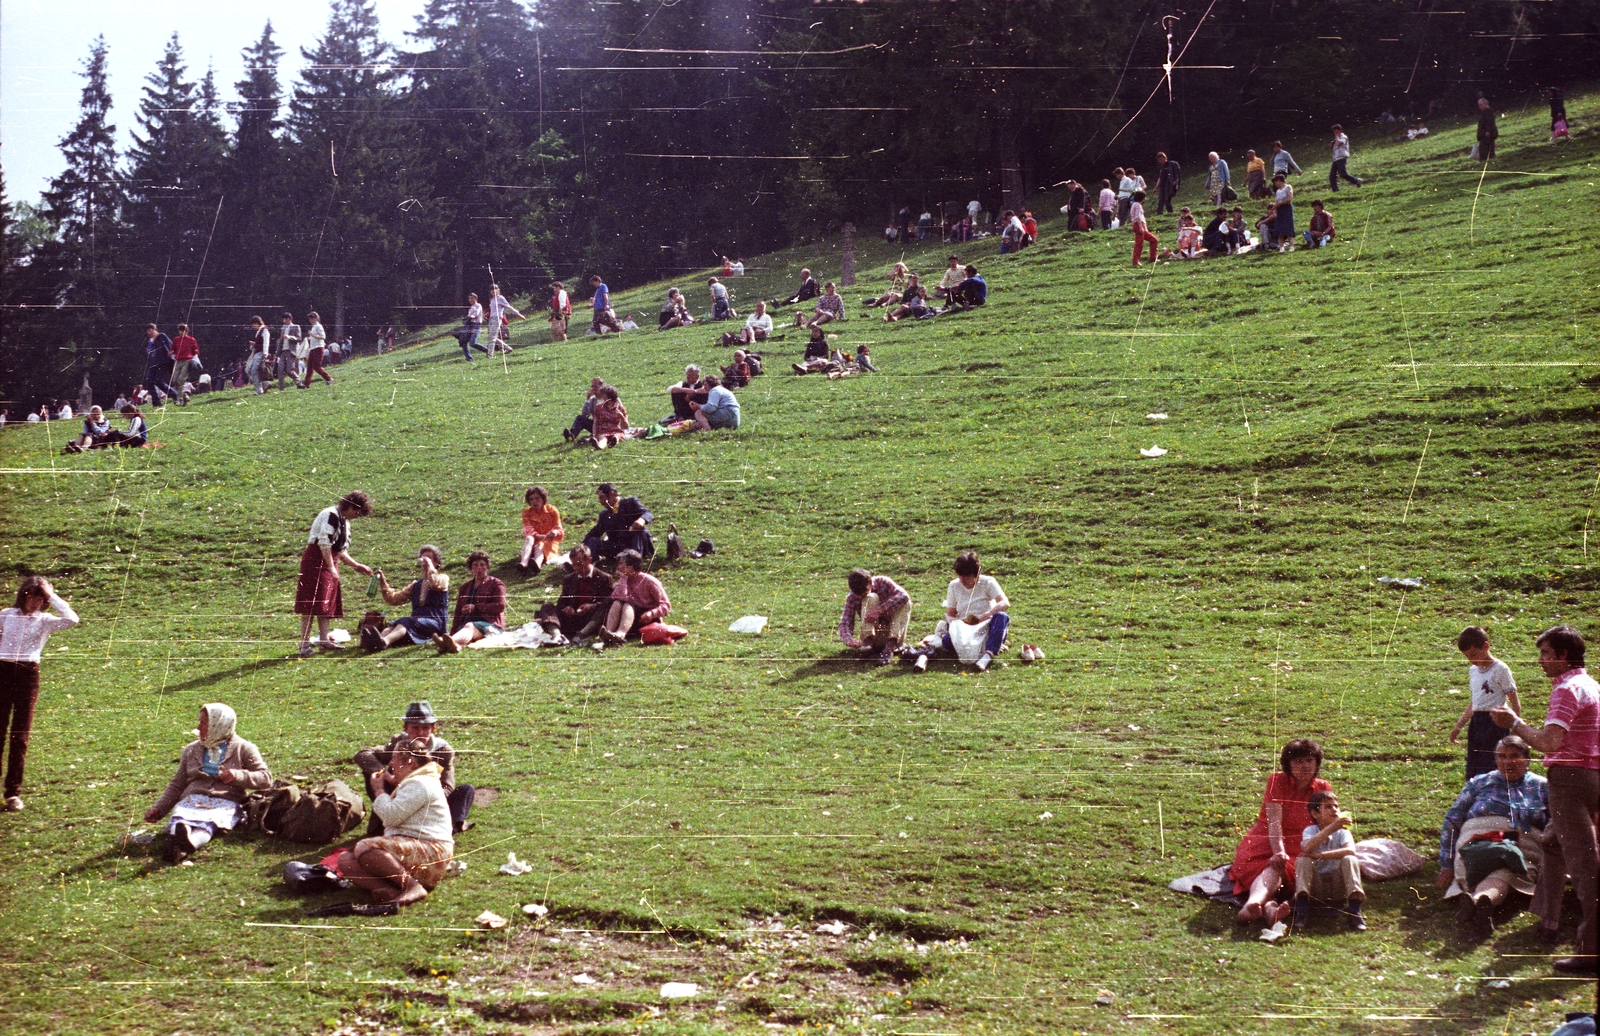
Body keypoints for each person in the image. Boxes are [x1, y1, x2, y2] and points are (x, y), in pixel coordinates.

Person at [1490, 626, 1598, 973]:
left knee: (1585, 868)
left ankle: (1591, 951)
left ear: (1564, 656)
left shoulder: (1566, 690)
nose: (1541, 661)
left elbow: (1550, 743)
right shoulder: (1592, 685)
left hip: (1569, 781)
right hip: (1592, 777)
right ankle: (1549, 920)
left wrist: (1514, 723)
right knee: (1552, 843)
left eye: (1547, 654)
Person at [1436, 735, 1554, 937]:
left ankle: (1477, 901)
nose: (1507, 762)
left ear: (1527, 760)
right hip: (1477, 840)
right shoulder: (1480, 783)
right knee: (1492, 866)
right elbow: (1453, 820)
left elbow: (1556, 822)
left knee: (1510, 867)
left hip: (1524, 844)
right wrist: (1446, 863)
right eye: (1502, 756)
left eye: (1514, 756)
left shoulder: (1542, 786)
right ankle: (1483, 901)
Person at [144, 703, 271, 864]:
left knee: (209, 823)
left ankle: (186, 844)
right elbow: (177, 784)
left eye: (203, 723)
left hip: (226, 800)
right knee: (181, 817)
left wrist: (238, 775)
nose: (198, 727)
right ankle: (179, 843)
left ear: (219, 724)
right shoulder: (191, 750)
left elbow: (265, 778)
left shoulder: (244, 748)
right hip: (193, 798)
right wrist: (159, 809)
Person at [338, 735, 454, 906]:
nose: (391, 764)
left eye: (394, 758)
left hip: (432, 852)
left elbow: (391, 816)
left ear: (410, 762)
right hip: (417, 850)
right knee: (345, 859)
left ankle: (412, 887)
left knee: (366, 847)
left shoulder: (421, 783)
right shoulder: (415, 781)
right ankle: (391, 890)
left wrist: (379, 790)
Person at [1231, 739, 1332, 924]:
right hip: (1267, 840)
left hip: (1301, 844)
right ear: (1288, 764)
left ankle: (1267, 909)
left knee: (1286, 872)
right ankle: (1253, 904)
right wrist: (1278, 851)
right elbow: (1274, 822)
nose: (1304, 766)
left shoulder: (1323, 788)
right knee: (1276, 866)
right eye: (1298, 762)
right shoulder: (1276, 781)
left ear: (1317, 763)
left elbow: (1327, 823)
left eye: (1309, 761)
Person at [0, 578, 79, 812]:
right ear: (23, 595)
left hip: (28, 675)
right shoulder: (6, 614)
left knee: (20, 735)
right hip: (2, 671)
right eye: (32, 597)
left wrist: (52, 596)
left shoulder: (45, 620)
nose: (35, 603)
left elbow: (72, 619)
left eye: (40, 599)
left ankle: (12, 793)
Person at [355, 701, 473, 834]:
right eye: (415, 728)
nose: (420, 733)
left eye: (425, 728)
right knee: (371, 772)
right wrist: (389, 777)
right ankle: (385, 818)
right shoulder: (398, 744)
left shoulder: (443, 750)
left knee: (466, 790)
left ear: (433, 729)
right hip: (400, 795)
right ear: (405, 728)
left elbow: (447, 787)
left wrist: (423, 795)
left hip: (429, 800)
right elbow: (363, 755)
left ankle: (450, 826)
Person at [295, 491, 375, 656]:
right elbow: (324, 543)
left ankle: (324, 641)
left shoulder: (345, 521)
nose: (356, 516)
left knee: (325, 603)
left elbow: (340, 551)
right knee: (311, 603)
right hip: (316, 560)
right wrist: (331, 568)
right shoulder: (330, 514)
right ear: (350, 505)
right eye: (356, 512)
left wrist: (356, 565)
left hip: (330, 560)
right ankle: (303, 645)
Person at [911, 552, 1010, 673]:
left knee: (1001, 616)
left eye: (967, 576)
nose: (962, 580)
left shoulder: (987, 582)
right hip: (965, 628)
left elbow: (1004, 602)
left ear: (976, 573)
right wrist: (957, 622)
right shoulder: (954, 585)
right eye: (960, 576)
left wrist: (989, 613)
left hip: (985, 624)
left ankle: (987, 655)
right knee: (947, 642)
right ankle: (986, 646)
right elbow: (950, 613)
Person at [1292, 790, 1366, 931]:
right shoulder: (1310, 830)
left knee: (1350, 859)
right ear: (1315, 814)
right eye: (1328, 807)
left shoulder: (1343, 832)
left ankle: (1355, 911)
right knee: (1302, 861)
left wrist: (1320, 855)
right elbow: (1307, 847)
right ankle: (1302, 910)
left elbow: (1350, 850)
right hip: (1316, 887)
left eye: (1336, 806)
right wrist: (1331, 827)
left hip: (1338, 886)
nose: (1334, 810)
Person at [364, 546, 450, 652]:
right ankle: (375, 642)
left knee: (405, 622)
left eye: (429, 558)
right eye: (423, 557)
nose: (424, 560)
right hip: (416, 621)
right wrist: (382, 582)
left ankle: (384, 642)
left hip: (434, 621)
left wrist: (430, 568)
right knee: (392, 626)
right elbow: (394, 599)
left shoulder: (442, 578)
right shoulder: (416, 584)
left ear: (437, 563)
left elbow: (435, 583)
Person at [587, 549, 670, 648]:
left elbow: (666, 605)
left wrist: (651, 614)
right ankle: (609, 634)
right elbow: (618, 598)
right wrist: (623, 579)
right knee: (617, 602)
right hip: (627, 620)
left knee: (627, 604)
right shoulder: (624, 580)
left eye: (621, 564)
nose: (618, 567)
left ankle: (620, 635)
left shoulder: (650, 581)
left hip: (645, 618)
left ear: (631, 566)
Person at [535, 544, 613, 639]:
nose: (576, 568)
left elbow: (608, 602)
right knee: (547, 606)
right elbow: (561, 602)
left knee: (604, 610)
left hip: (591, 618)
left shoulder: (603, 577)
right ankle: (557, 636)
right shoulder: (569, 578)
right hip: (572, 618)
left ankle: (582, 634)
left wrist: (592, 606)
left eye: (579, 564)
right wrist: (567, 608)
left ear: (589, 560)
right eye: (574, 565)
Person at [839, 569, 911, 666]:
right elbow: (845, 622)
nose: (860, 597)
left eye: (863, 593)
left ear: (870, 583)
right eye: (858, 595)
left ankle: (888, 650)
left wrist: (879, 610)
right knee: (871, 598)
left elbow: (904, 596)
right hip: (874, 636)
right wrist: (849, 640)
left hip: (893, 633)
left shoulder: (883, 582)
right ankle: (868, 646)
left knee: (906, 603)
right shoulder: (852, 597)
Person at [436, 551, 506, 653]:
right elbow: (458, 612)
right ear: (471, 568)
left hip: (490, 624)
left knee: (470, 626)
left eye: (482, 565)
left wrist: (475, 607)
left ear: (487, 567)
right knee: (466, 627)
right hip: (467, 624)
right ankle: (455, 645)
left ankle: (446, 643)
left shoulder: (496, 583)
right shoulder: (465, 587)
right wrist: (453, 631)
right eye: (475, 565)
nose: (479, 568)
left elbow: (500, 606)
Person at [583, 483, 654, 561]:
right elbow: (594, 533)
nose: (601, 501)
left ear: (611, 494)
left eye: (602, 497)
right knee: (593, 541)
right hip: (619, 548)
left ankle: (633, 561)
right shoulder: (604, 515)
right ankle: (587, 563)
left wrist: (641, 520)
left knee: (639, 530)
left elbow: (648, 513)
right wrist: (581, 547)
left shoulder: (630, 503)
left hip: (637, 544)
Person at [518, 485, 564, 573]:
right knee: (529, 538)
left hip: (549, 541)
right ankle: (523, 564)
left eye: (537, 498)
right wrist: (539, 536)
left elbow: (559, 528)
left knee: (539, 546)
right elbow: (528, 530)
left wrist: (555, 532)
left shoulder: (551, 510)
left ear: (543, 499)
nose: (534, 502)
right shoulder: (526, 513)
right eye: (531, 499)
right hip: (534, 541)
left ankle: (536, 565)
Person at [142, 324, 177, 406]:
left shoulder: (162, 335)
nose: (149, 332)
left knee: (158, 381)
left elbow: (170, 346)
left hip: (163, 362)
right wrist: (152, 342)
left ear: (154, 329)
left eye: (150, 330)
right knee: (149, 381)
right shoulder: (150, 340)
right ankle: (156, 402)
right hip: (154, 363)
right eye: (147, 331)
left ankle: (175, 395)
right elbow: (148, 351)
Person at [486, 283, 524, 354]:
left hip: (497, 318)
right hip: (491, 319)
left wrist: (519, 315)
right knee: (491, 337)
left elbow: (509, 307)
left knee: (492, 337)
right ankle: (508, 348)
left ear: (498, 290)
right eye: (491, 290)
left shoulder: (500, 298)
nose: (493, 291)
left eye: (495, 289)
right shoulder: (492, 300)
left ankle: (490, 354)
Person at [564, 377, 605, 441]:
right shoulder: (593, 400)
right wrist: (588, 398)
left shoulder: (610, 398)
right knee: (580, 418)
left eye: (596, 386)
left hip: (608, 426)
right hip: (596, 426)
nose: (593, 389)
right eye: (592, 387)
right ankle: (572, 434)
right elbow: (585, 414)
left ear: (602, 387)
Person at [589, 385, 629, 450]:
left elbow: (626, 427)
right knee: (603, 438)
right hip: (603, 430)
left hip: (616, 430)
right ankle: (599, 446)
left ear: (609, 395)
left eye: (603, 394)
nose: (602, 396)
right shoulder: (598, 408)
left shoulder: (620, 409)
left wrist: (622, 417)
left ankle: (613, 442)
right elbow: (595, 423)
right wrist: (594, 435)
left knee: (616, 436)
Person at [169, 324, 199, 405]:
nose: (181, 332)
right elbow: (173, 349)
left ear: (186, 331)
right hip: (178, 361)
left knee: (181, 380)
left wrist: (194, 358)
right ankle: (185, 396)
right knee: (175, 380)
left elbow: (196, 350)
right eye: (180, 330)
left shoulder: (191, 339)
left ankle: (179, 400)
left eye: (183, 330)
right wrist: (171, 352)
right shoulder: (176, 339)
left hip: (187, 360)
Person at [302, 311, 332, 385]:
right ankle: (306, 383)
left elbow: (323, 337)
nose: (310, 320)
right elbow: (315, 337)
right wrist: (310, 338)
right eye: (310, 319)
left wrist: (312, 335)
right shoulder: (313, 327)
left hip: (319, 347)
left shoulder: (318, 326)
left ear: (316, 318)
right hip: (313, 348)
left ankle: (329, 378)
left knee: (316, 366)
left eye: (312, 318)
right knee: (309, 366)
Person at [1329, 124, 1362, 190]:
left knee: (1342, 173)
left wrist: (1337, 137)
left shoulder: (1343, 137)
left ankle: (1356, 180)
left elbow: (1339, 143)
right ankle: (1335, 190)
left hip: (1341, 157)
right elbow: (1331, 147)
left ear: (1338, 130)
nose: (1334, 133)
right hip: (1336, 158)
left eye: (1335, 131)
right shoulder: (1336, 139)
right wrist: (1332, 143)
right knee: (1332, 176)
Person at [1129, 190, 1158, 267]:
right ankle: (1135, 261)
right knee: (1139, 244)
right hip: (1139, 225)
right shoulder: (1138, 205)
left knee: (1153, 240)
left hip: (1140, 225)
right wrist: (1141, 227)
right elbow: (1138, 217)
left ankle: (1153, 257)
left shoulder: (1134, 205)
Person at [276, 312, 302, 391]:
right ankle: (281, 389)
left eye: (286, 319)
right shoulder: (283, 328)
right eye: (283, 319)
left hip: (291, 351)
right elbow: (280, 341)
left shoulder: (296, 327)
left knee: (289, 370)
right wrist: (277, 353)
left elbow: (299, 338)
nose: (284, 321)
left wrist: (290, 337)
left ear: (290, 319)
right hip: (283, 351)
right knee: (279, 369)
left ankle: (298, 380)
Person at [246, 316, 270, 394]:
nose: (253, 326)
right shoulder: (259, 331)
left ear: (257, 323)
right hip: (257, 353)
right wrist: (254, 344)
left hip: (260, 353)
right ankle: (265, 383)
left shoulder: (264, 330)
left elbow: (266, 342)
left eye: (253, 324)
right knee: (250, 370)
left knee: (254, 370)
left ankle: (259, 390)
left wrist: (265, 353)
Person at [1272, 174, 1295, 252]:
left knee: (1288, 226)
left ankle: (1291, 245)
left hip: (1287, 209)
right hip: (1280, 210)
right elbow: (1276, 202)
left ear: (1279, 181)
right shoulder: (1278, 191)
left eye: (1276, 182)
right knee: (1279, 227)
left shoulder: (1288, 187)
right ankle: (1281, 247)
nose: (1275, 184)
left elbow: (1290, 198)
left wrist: (1280, 203)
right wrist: (1275, 209)